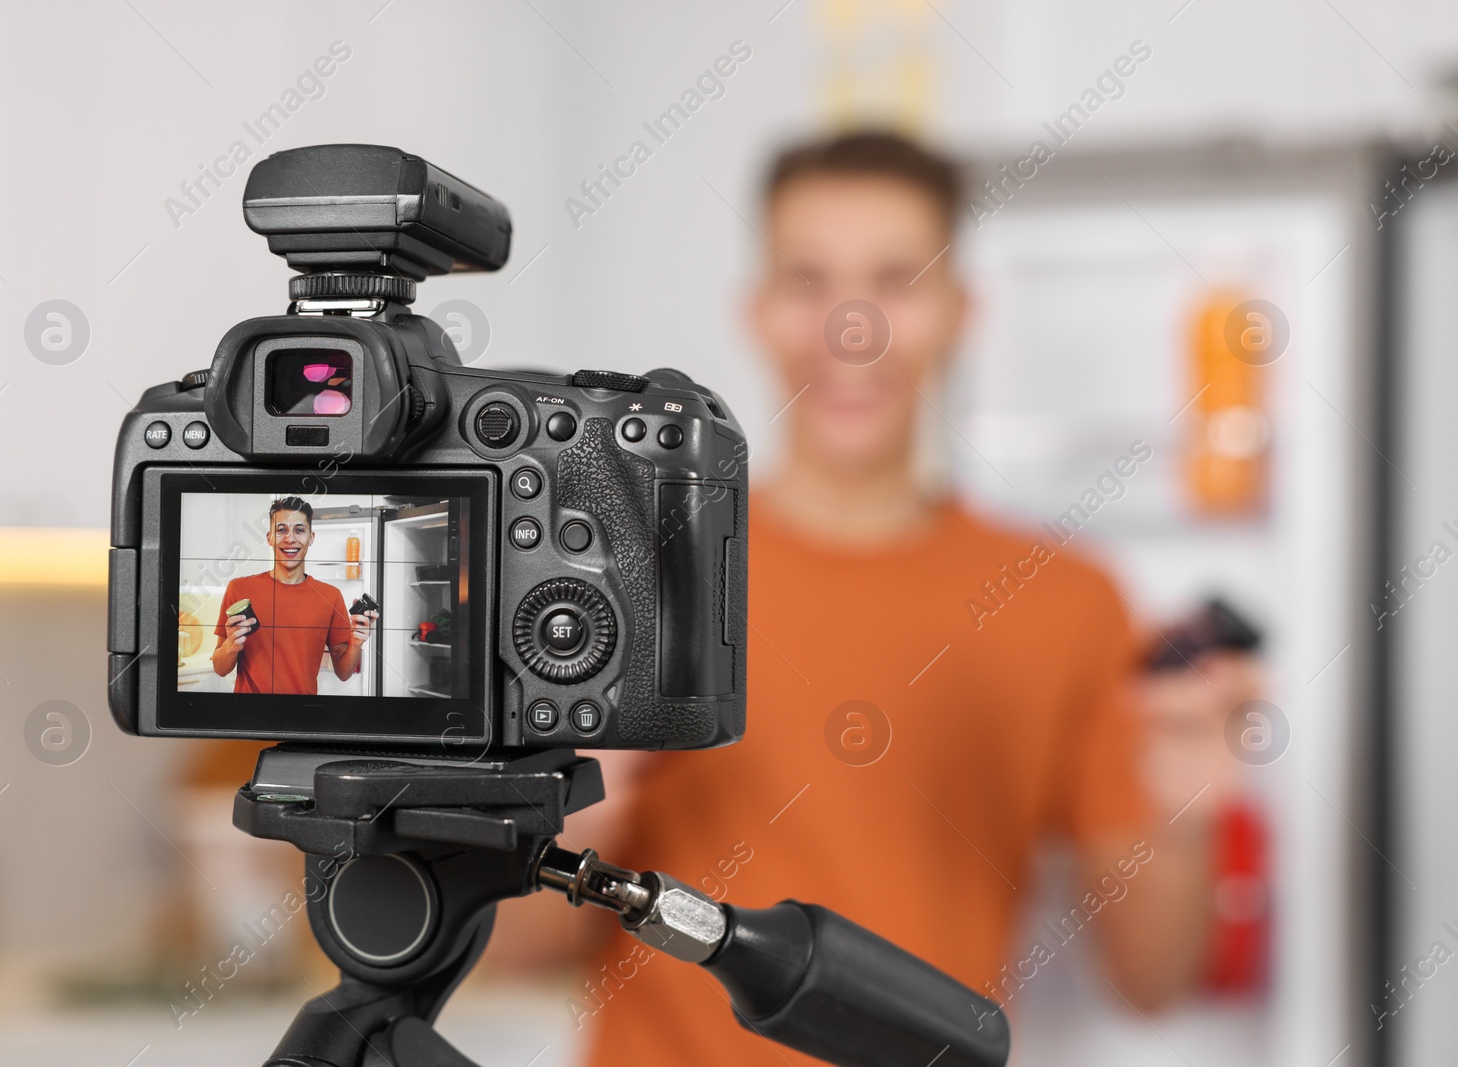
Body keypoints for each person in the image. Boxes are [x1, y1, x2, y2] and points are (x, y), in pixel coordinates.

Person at [487, 130, 1235, 1064]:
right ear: (758, 312)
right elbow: (517, 957)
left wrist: (1181, 813)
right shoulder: (623, 583)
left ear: (961, 313)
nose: (853, 327)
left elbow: (1153, 980)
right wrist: (573, 809)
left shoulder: (1071, 603)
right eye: (810, 282)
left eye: (895, 281)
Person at [211, 496, 377, 695]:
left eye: (299, 530)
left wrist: (357, 643)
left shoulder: (330, 596)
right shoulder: (239, 589)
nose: (290, 538)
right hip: (249, 715)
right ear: (269, 537)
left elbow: (343, 672)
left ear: (311, 537)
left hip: (302, 714)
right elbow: (220, 669)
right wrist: (231, 645)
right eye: (281, 530)